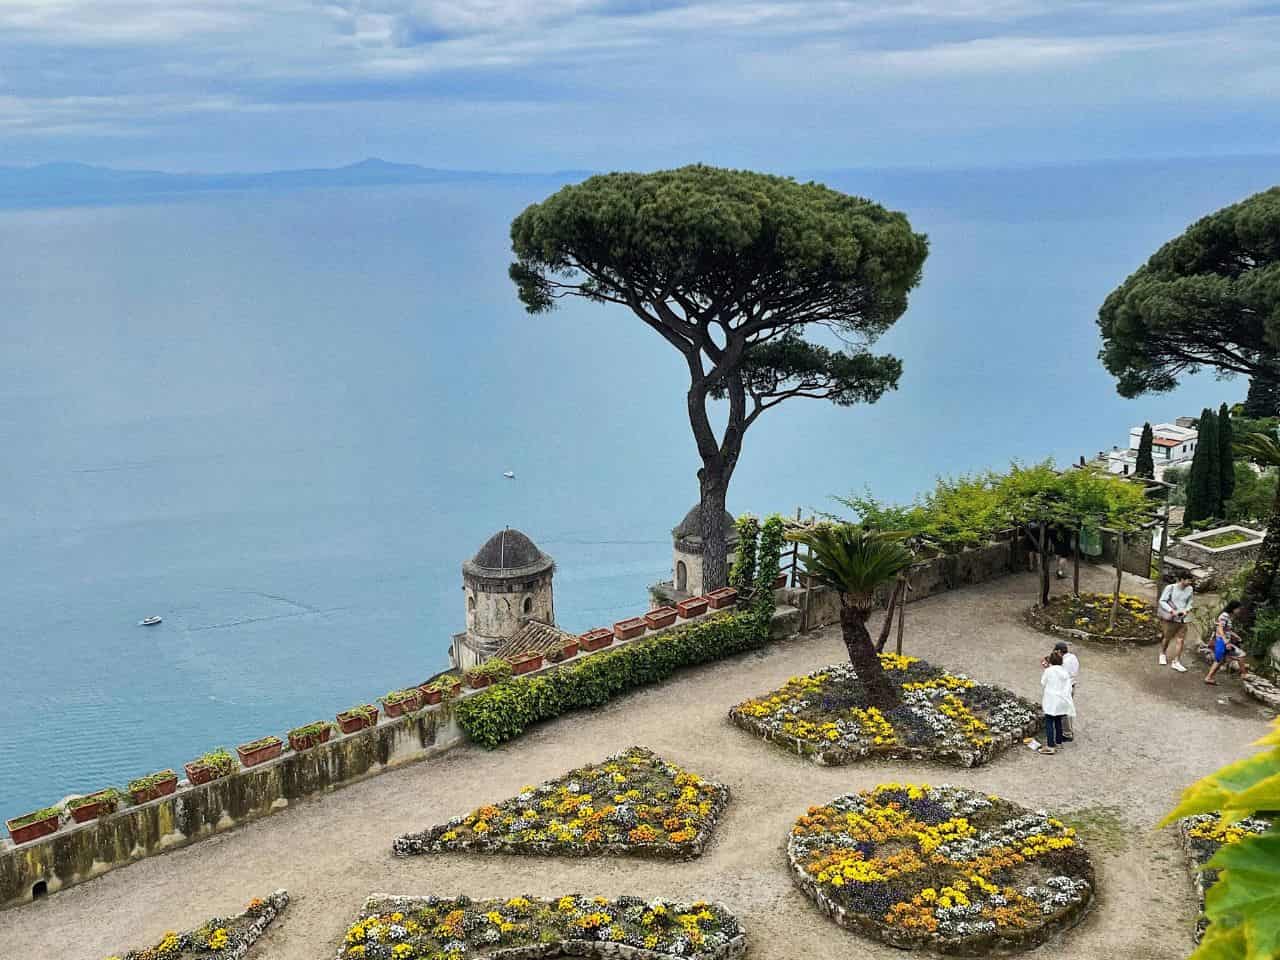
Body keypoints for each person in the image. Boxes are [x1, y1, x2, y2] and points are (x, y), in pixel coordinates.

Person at [1039, 649, 1076, 755]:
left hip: (1051, 699)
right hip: (1062, 700)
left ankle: (1050, 746)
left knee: (1049, 722)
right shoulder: (1065, 672)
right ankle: (1059, 743)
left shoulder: (1049, 671)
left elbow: (1043, 682)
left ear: (1051, 661)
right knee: (1058, 721)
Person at [1205, 600, 1250, 685]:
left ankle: (1209, 677)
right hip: (1223, 642)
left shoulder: (1229, 616)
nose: (1239, 610)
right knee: (1241, 655)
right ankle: (1244, 674)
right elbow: (1220, 628)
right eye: (1238, 608)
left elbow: (1227, 630)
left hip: (1224, 641)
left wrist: (1235, 635)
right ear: (1233, 608)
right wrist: (1225, 641)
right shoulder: (1224, 616)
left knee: (1219, 661)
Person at [1158, 573, 1194, 672]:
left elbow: (1190, 602)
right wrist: (1172, 611)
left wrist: (1186, 610)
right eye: (1188, 580)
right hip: (1171, 617)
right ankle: (1162, 653)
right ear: (1182, 579)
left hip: (1183, 618)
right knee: (1167, 637)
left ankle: (1176, 661)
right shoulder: (1170, 588)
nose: (1190, 582)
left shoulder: (1190, 589)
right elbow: (1162, 601)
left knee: (1180, 640)